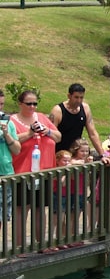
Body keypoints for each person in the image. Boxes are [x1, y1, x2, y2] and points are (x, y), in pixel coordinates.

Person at [10, 89, 61, 249]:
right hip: (23, 173)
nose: (32, 106)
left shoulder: (42, 118)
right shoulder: (12, 121)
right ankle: (19, 246)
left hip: (44, 172)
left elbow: (59, 136)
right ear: (20, 104)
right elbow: (11, 141)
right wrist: (29, 133)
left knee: (41, 209)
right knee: (22, 210)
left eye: (35, 103)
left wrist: (48, 131)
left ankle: (41, 244)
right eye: (29, 103)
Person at [49, 83, 103, 154]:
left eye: (81, 98)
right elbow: (50, 135)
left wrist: (103, 154)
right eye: (76, 97)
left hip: (76, 153)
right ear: (69, 96)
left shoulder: (85, 108)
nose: (79, 101)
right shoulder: (58, 111)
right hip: (59, 153)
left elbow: (92, 134)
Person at [0, 92, 22, 223]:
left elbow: (17, 150)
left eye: (2, 104)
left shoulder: (9, 124)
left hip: (5, 174)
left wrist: (6, 134)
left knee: (1, 218)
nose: (0, 108)